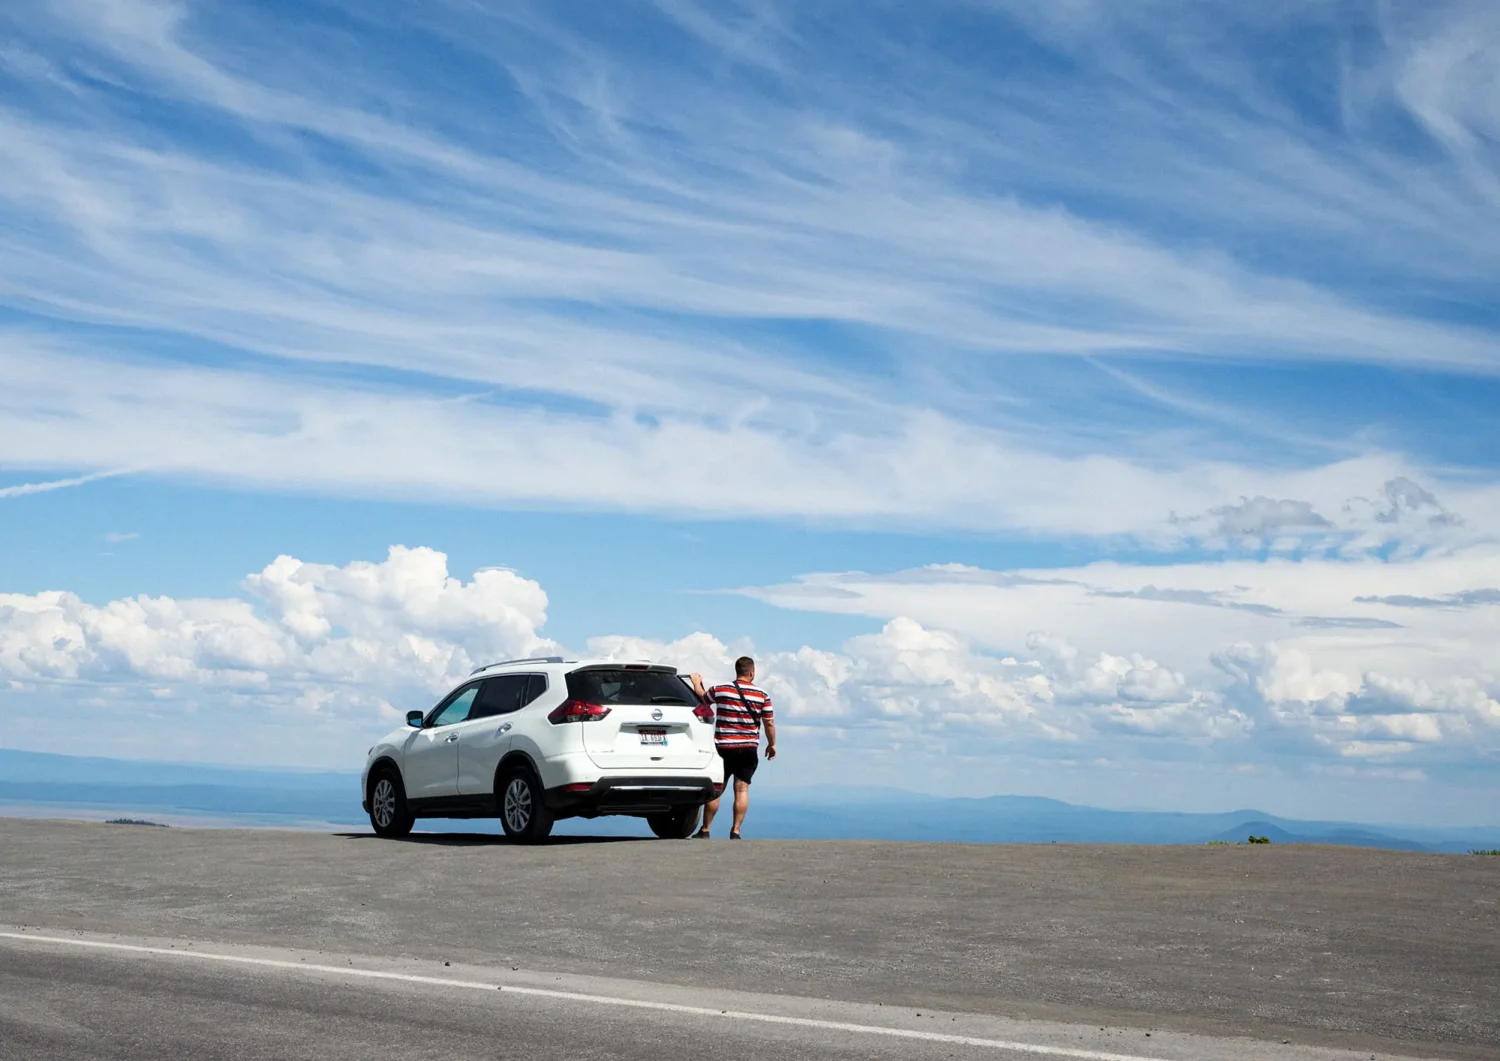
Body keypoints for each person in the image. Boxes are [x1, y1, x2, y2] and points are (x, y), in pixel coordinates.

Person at [689, 656, 775, 839]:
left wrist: (696, 681)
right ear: (752, 672)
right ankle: (735, 831)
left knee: (717, 789)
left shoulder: (721, 690)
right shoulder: (762, 695)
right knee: (742, 790)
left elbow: (702, 697)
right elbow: (769, 723)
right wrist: (772, 744)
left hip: (723, 747)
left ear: (737, 671)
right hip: (748, 748)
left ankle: (705, 829)